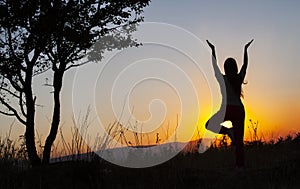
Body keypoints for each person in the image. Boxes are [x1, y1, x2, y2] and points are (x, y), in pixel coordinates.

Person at [205, 39, 253, 168]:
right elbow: (245, 65)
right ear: (235, 67)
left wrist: (213, 50)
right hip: (239, 110)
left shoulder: (223, 79)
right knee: (239, 143)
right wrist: (245, 50)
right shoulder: (239, 78)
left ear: (225, 68)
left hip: (226, 109)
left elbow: (215, 67)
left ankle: (228, 132)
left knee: (208, 124)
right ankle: (240, 168)